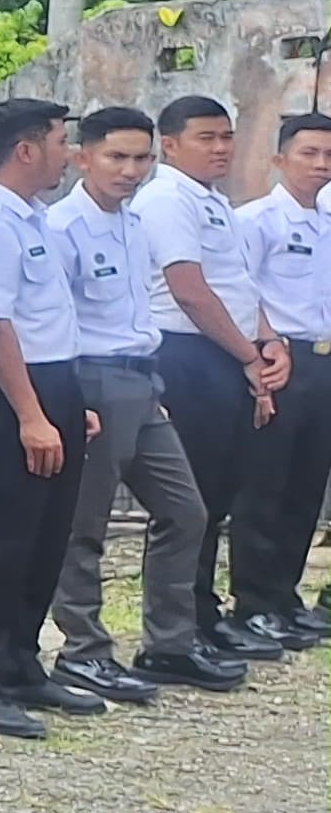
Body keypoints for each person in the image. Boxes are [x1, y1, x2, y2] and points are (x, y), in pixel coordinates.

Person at [46, 108, 234, 700]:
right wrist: (75, 399)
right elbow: (58, 321)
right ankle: (83, 650)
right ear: (83, 157)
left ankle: (169, 643)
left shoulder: (132, 223)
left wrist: (152, 388)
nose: (130, 170)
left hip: (141, 380)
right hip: (93, 381)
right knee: (85, 525)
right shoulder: (62, 226)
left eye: (141, 158)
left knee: (188, 512)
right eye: (116, 157)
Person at [0, 100, 89, 739]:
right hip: (11, 392)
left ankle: (20, 657)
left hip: (53, 381)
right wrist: (32, 413)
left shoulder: (34, 218)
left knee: (45, 531)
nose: (69, 155)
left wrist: (64, 402)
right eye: (61, 143)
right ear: (27, 150)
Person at [142, 95, 293, 663]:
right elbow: (189, 290)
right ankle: (181, 628)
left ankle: (203, 613)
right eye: (206, 138)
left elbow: (236, 285)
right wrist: (247, 356)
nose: (221, 148)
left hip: (226, 352)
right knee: (191, 499)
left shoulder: (213, 202)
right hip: (187, 353)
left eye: (226, 137)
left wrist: (269, 340)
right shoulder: (164, 198)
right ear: (171, 143)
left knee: (221, 493)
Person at [230, 113, 331, 650]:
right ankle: (253, 601)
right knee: (264, 486)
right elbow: (243, 296)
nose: (319, 165)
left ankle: (285, 594)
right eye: (308, 153)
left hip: (323, 362)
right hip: (278, 360)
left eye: (328, 155)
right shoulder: (255, 221)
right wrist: (261, 363)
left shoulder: (328, 219)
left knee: (306, 486)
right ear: (279, 159)